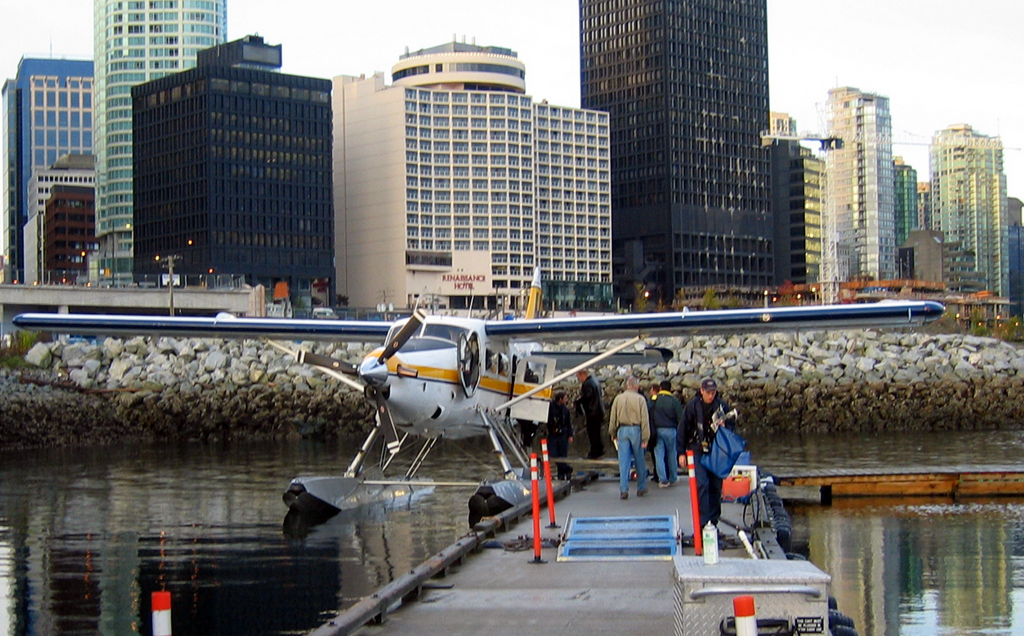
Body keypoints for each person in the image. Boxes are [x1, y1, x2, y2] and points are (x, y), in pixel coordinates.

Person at [678, 378, 735, 528]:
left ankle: (713, 521)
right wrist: (681, 453)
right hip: (697, 449)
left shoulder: (721, 406)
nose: (711, 395)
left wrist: (725, 426)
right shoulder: (692, 407)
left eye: (713, 392)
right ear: (701, 391)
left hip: (716, 451)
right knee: (702, 484)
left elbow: (732, 425)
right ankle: (703, 523)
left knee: (716, 486)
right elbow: (682, 429)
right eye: (708, 392)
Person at [608, 375, 650, 499]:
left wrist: (613, 433)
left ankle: (624, 489)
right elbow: (645, 420)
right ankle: (641, 487)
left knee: (624, 462)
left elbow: (613, 418)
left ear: (626, 386)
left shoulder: (618, 399)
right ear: (636, 386)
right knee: (639, 460)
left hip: (622, 429)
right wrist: (646, 437)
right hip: (636, 429)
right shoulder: (640, 399)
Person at [650, 380, 683, 488]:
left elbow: (648, 413)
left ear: (660, 388)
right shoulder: (674, 401)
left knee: (659, 455)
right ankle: (673, 477)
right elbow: (681, 418)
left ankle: (662, 479)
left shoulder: (654, 400)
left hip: (657, 430)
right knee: (672, 454)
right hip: (671, 430)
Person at [574, 368, 605, 459]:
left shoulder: (588, 384)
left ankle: (595, 452)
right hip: (599, 410)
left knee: (592, 433)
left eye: (578, 377)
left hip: (592, 412)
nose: (578, 379)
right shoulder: (595, 381)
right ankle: (599, 449)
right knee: (597, 432)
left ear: (582, 375)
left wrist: (579, 401)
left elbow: (588, 396)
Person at [546, 391, 573, 480]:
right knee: (553, 454)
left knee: (563, 456)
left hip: (563, 435)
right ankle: (567, 469)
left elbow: (568, 423)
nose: (566, 400)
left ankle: (561, 476)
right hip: (553, 435)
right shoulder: (550, 408)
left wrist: (570, 435)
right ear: (560, 399)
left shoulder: (565, 410)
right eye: (565, 398)